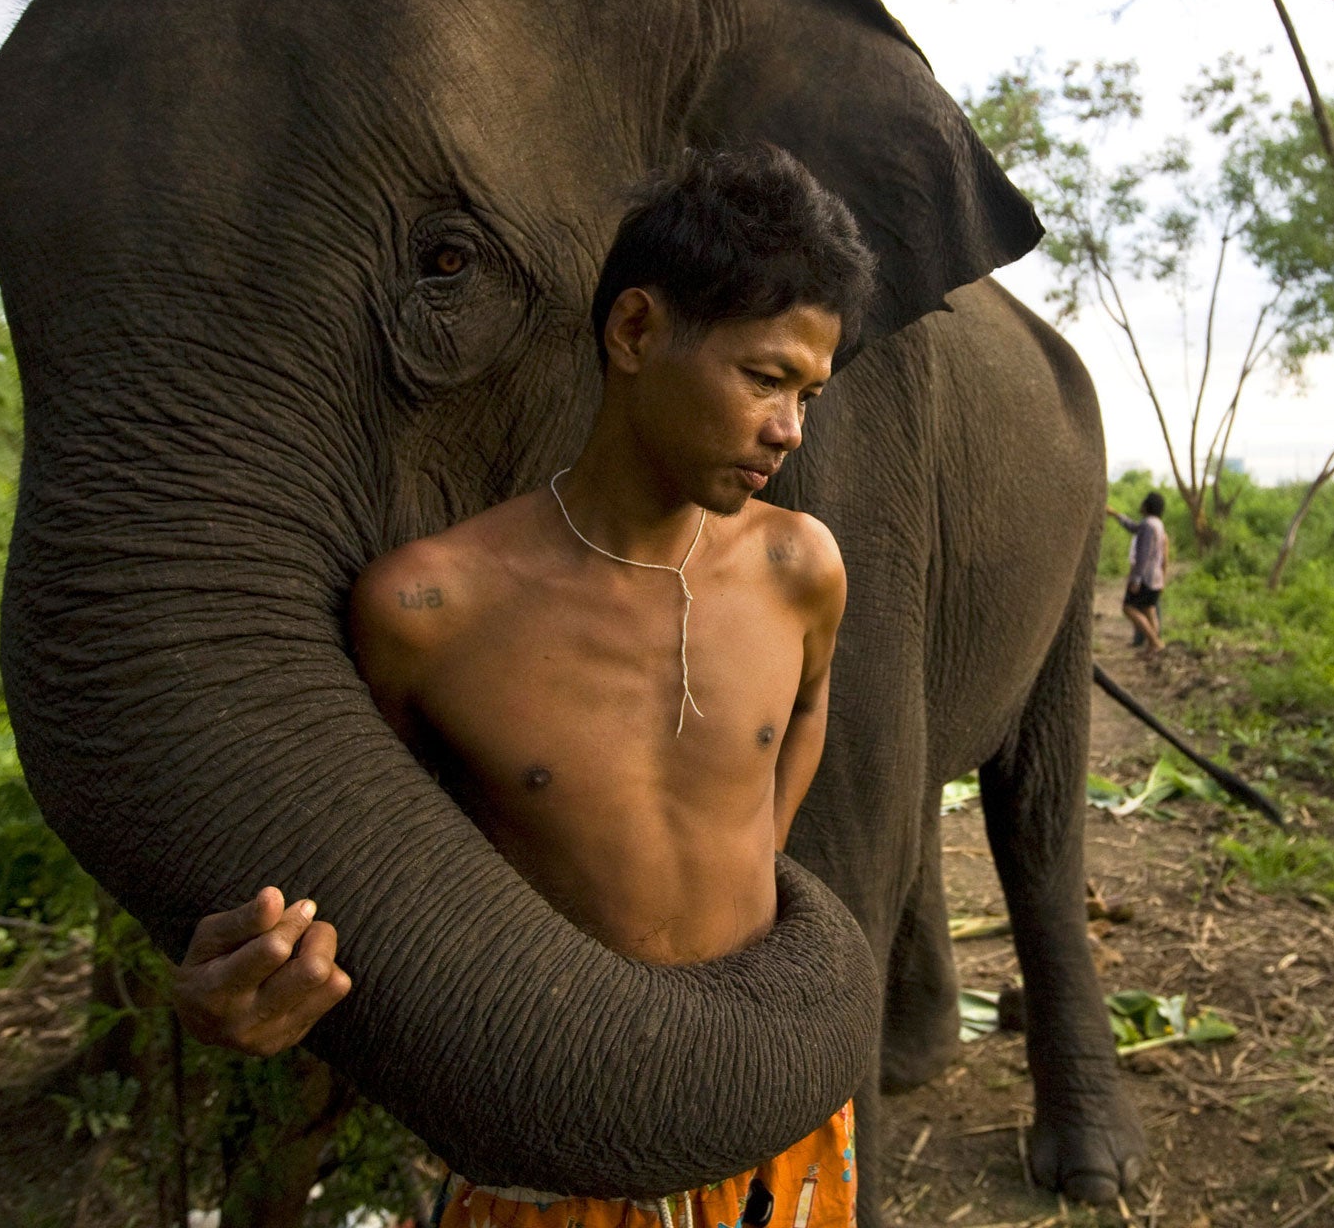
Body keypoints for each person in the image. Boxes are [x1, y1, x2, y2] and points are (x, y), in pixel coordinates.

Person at [168, 146, 876, 1228]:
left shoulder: (799, 570)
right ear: (635, 332)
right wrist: (250, 984)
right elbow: (349, 862)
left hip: (776, 1130)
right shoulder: (430, 613)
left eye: (808, 393)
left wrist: (748, 874)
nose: (789, 428)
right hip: (550, 1160)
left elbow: (804, 715)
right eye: (764, 377)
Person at [1106, 490, 1168, 653]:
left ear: (1147, 506)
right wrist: (1116, 515)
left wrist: (1136, 579)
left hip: (1145, 578)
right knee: (1149, 609)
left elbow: (1143, 556)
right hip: (1156, 577)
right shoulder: (1158, 524)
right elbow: (1133, 527)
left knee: (1129, 608)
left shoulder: (1147, 525)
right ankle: (1153, 647)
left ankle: (1154, 642)